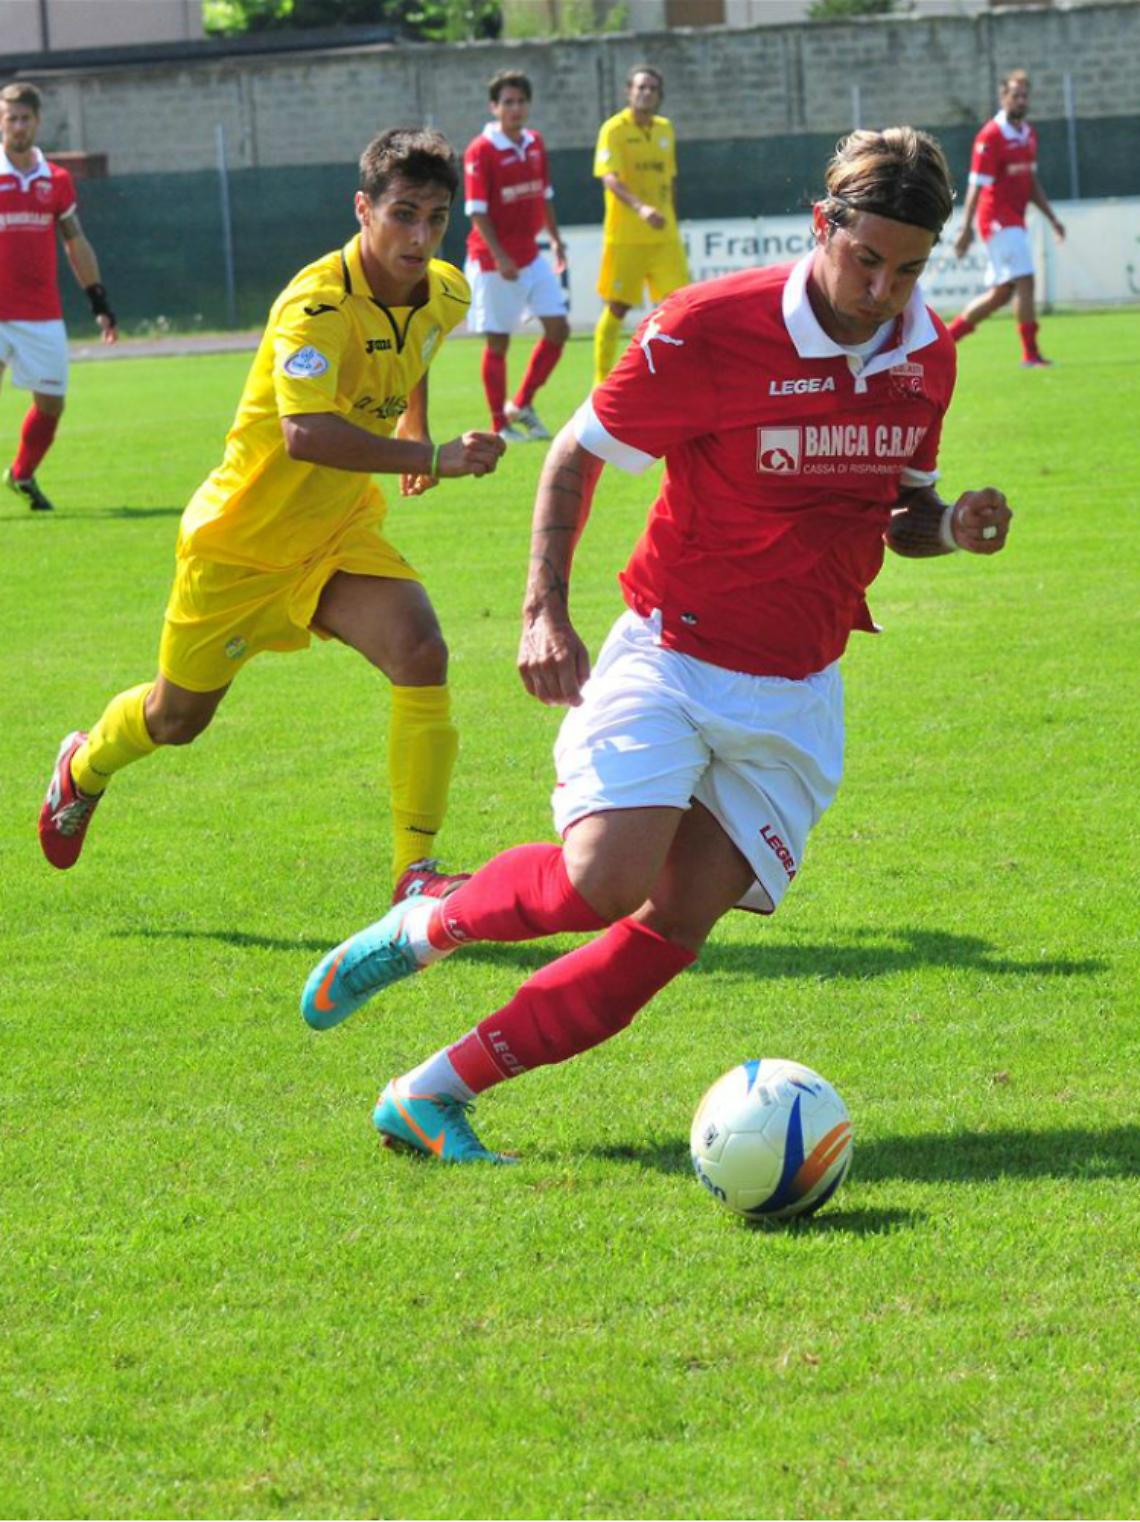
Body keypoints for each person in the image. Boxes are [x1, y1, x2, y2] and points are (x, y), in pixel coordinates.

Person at [301, 126, 1013, 1165]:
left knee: (670, 929)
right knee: (600, 881)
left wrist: (951, 527)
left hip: (799, 692)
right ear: (823, 226)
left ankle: (430, 1093)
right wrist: (545, 607)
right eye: (866, 258)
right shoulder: (708, 329)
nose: (883, 287)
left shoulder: (924, 357)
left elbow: (898, 514)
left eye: (909, 268)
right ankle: (423, 929)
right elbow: (576, 457)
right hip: (671, 656)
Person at [38, 127, 505, 900]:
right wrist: (431, 457)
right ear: (363, 209)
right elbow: (306, 433)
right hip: (239, 544)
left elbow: (419, 342)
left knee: (421, 650)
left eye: (435, 217)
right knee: (177, 717)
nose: (420, 237)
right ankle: (82, 766)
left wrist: (416, 422)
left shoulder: (445, 290)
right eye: (402, 215)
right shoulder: (315, 306)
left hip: (334, 533)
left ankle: (414, 875)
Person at [1, 81, 117, 513]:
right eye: (9, 118)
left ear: (37, 122)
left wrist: (99, 302)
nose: (17, 126)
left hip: (40, 313)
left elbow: (76, 242)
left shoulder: (56, 180)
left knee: (51, 403)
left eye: (24, 118)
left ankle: (22, 474)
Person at [463, 69, 569, 443]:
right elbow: (476, 210)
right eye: (507, 102)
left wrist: (554, 240)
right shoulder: (481, 150)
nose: (516, 108)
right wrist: (500, 256)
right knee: (498, 343)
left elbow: (544, 195)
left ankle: (521, 403)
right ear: (494, 107)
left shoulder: (535, 142)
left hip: (531, 255)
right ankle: (499, 425)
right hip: (494, 261)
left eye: (521, 101)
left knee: (559, 328)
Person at [947, 69, 1065, 367]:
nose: (1021, 100)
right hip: (997, 220)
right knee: (1025, 280)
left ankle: (947, 339)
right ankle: (1030, 353)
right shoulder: (991, 135)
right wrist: (966, 227)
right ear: (1003, 97)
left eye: (1025, 95)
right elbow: (977, 183)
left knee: (1001, 294)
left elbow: (1030, 182)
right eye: (1016, 95)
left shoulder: (1028, 134)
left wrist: (1052, 219)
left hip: (1016, 220)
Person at [592, 65, 690, 386]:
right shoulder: (614, 129)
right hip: (626, 237)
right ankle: (601, 383)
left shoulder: (665, 129)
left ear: (660, 96)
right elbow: (610, 178)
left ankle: (670, 376)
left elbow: (670, 179)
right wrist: (642, 208)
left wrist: (671, 217)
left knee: (680, 307)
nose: (646, 93)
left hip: (664, 237)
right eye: (640, 87)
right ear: (628, 92)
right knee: (618, 307)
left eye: (652, 88)